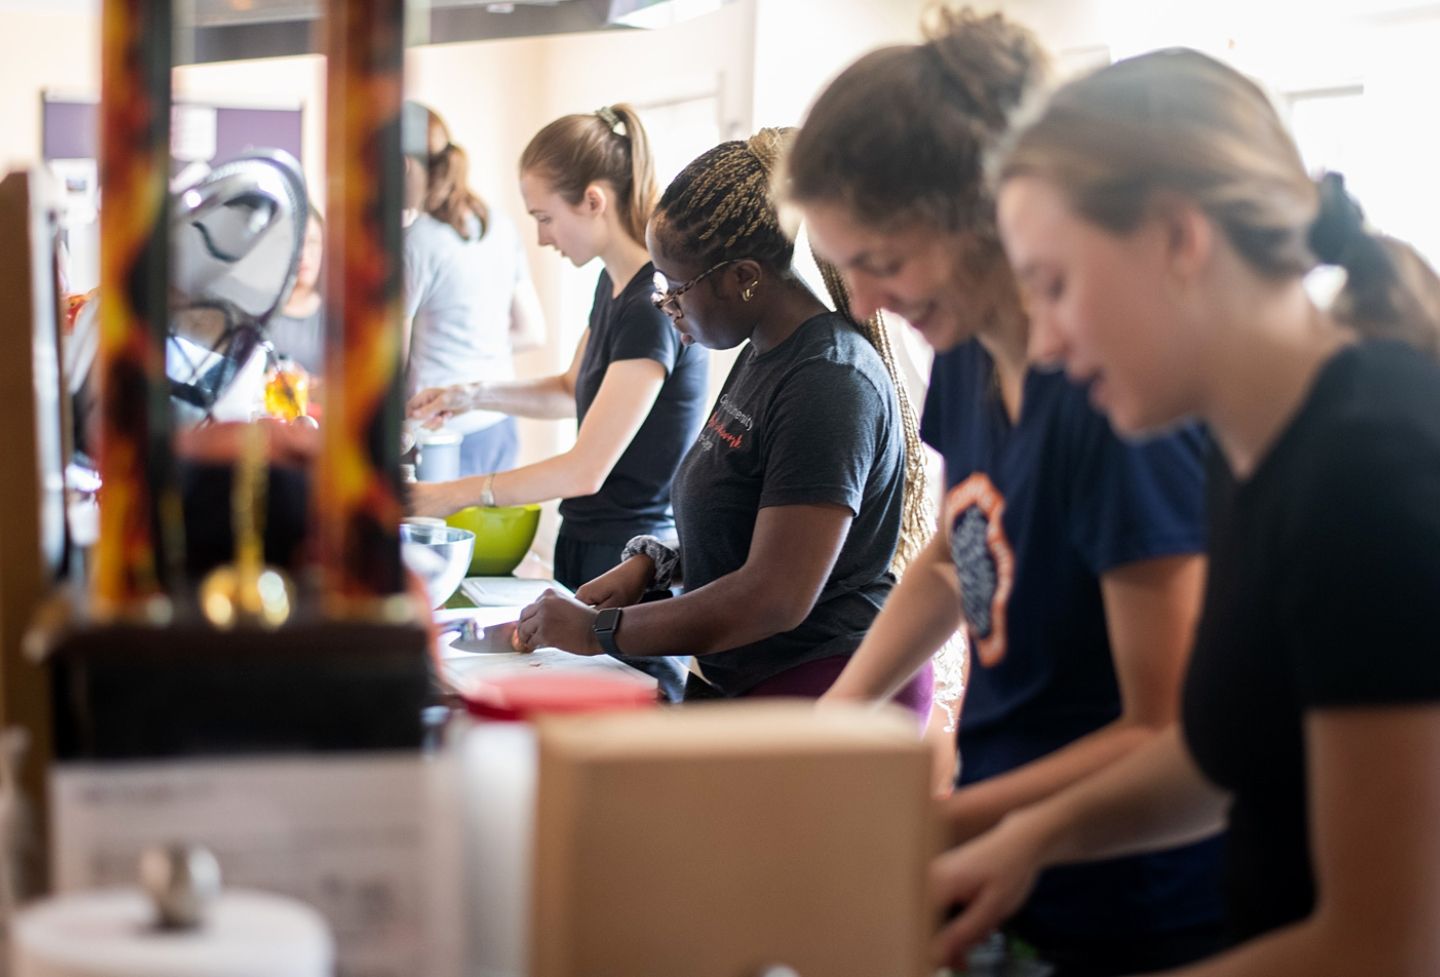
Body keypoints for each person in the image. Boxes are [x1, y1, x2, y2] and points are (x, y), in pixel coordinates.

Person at [928, 47, 1440, 976]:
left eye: (1053, 284)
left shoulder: (1372, 471)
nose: (1041, 339)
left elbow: (1384, 946)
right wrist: (1029, 838)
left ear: (1179, 240)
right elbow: (1220, 752)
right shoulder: (1249, 447)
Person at [784, 10, 1224, 974]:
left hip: (1133, 904)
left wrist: (950, 826)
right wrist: (837, 713)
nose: (862, 304)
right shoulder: (971, 350)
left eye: (883, 263)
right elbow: (960, 544)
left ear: (982, 214)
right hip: (1013, 871)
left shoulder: (1116, 399)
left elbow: (1166, 727)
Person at [510, 129, 935, 717]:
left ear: (743, 277)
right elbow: (755, 519)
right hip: (750, 676)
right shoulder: (764, 349)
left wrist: (600, 630)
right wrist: (655, 563)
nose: (666, 308)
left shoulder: (829, 381)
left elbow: (774, 595)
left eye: (677, 291)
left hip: (824, 689)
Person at [407, 105, 709, 700]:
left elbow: (585, 468)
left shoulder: (653, 308)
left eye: (545, 218)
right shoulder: (614, 285)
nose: (542, 237)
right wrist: (474, 393)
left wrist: (449, 495)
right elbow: (570, 387)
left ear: (594, 201)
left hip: (629, 564)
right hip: (588, 543)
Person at [402, 101, 546, 475]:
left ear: (402, 165)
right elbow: (532, 331)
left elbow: (391, 357)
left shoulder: (415, 241)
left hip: (438, 431)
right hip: (498, 423)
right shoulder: (499, 224)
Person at [267, 203, 326, 377]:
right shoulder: (258, 310)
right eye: (297, 243)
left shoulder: (340, 314)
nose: (304, 254)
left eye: (313, 243)